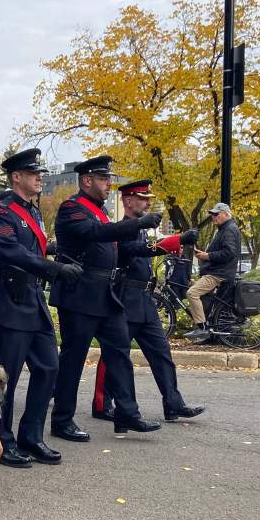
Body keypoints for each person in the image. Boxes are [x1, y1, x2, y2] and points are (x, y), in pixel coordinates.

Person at [50, 155, 162, 441]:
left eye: (109, 178)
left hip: (105, 294)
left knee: (120, 352)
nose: (109, 183)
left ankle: (127, 411)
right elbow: (96, 233)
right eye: (103, 178)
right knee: (73, 359)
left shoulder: (98, 210)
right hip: (79, 295)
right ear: (86, 180)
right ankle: (62, 420)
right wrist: (139, 224)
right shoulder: (72, 208)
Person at [0, 148, 77, 468]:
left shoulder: (34, 212)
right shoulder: (2, 211)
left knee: (49, 367)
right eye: (34, 173)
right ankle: (3, 441)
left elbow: (34, 249)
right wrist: (53, 269)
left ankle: (31, 435)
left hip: (33, 300)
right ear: (16, 177)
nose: (40, 177)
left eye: (40, 173)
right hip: (11, 300)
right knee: (5, 378)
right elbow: (11, 253)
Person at [91, 179, 205, 423]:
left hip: (144, 299)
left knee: (162, 354)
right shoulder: (121, 228)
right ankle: (101, 403)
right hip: (125, 298)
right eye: (143, 198)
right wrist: (177, 240)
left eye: (148, 198)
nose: (148, 202)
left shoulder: (140, 228)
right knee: (114, 354)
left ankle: (174, 404)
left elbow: (146, 246)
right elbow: (140, 249)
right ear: (128, 201)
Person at [183, 202, 242, 343]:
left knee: (192, 293)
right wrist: (205, 254)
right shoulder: (224, 229)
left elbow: (229, 253)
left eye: (217, 214)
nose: (213, 217)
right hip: (218, 271)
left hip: (219, 274)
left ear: (227, 214)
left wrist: (207, 256)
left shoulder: (229, 230)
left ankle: (201, 328)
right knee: (204, 300)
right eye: (212, 215)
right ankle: (207, 334)